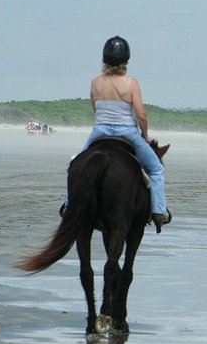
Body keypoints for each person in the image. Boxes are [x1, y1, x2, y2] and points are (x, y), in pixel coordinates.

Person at [65, 35, 170, 229]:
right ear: (126, 61)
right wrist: (144, 136)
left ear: (104, 59)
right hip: (127, 132)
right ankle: (158, 211)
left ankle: (69, 206)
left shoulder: (95, 82)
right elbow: (141, 115)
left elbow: (95, 107)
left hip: (100, 131)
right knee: (156, 169)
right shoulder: (131, 83)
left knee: (75, 165)